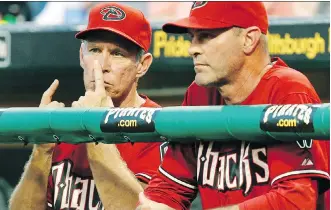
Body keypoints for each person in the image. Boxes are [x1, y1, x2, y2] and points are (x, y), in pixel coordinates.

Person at [139, 2, 330, 210]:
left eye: (206, 36)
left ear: (249, 39)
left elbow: (295, 201)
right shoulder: (200, 93)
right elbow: (169, 188)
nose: (192, 48)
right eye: (191, 37)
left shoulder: (288, 89)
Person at [9, 3, 167, 210]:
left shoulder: (158, 127)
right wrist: (43, 149)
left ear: (142, 65)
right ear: (81, 56)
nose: (102, 65)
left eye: (117, 53)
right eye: (94, 50)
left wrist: (94, 127)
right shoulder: (63, 125)